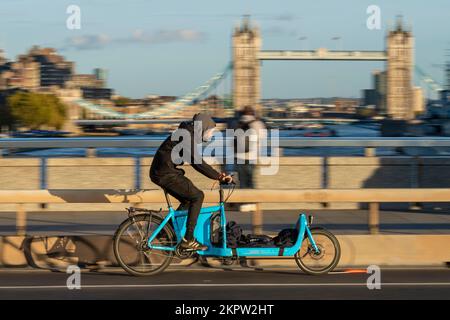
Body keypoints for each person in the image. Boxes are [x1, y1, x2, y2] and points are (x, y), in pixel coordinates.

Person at [150, 113, 233, 251]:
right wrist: (218, 176)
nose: (211, 135)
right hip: (165, 173)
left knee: (188, 201)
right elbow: (197, 162)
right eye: (210, 131)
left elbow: (195, 159)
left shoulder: (187, 133)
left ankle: (165, 234)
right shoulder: (187, 136)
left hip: (163, 172)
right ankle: (188, 239)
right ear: (203, 128)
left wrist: (217, 175)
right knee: (198, 196)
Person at [233, 106, 266, 189]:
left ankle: (243, 200)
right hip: (251, 156)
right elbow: (263, 137)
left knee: (241, 181)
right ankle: (251, 200)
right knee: (250, 180)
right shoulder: (257, 123)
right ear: (253, 113)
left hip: (238, 155)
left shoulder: (236, 122)